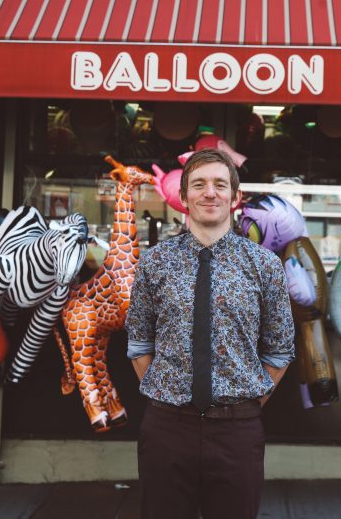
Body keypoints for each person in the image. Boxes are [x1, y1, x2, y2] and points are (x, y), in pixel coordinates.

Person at [126, 148, 295, 519]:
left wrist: (243, 402)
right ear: (184, 197)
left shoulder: (264, 264)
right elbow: (139, 342)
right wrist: (169, 394)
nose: (210, 192)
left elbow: (280, 351)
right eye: (199, 184)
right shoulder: (155, 261)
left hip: (237, 433)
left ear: (235, 198)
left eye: (220, 184)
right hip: (168, 429)